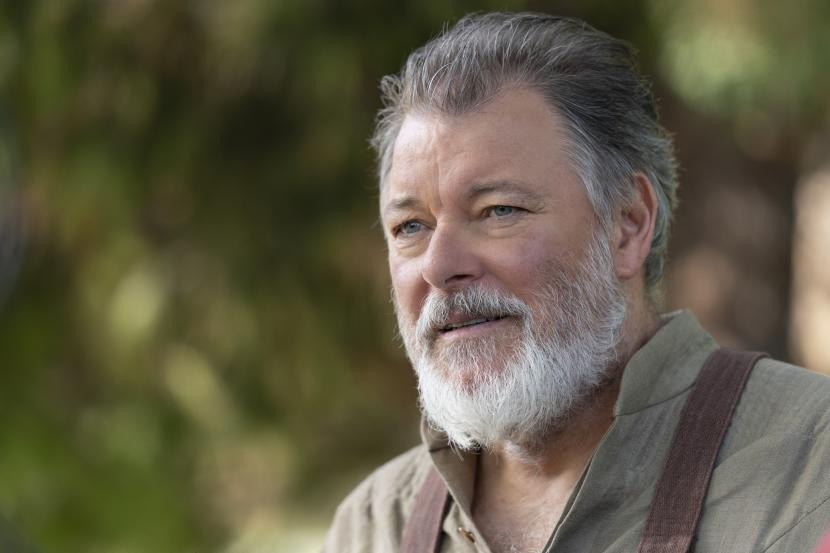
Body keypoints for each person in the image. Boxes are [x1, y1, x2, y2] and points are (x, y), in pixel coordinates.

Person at [324, 12, 830, 553]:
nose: (439, 265)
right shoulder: (374, 525)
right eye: (410, 227)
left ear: (627, 225)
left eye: (498, 210)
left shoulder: (810, 469)